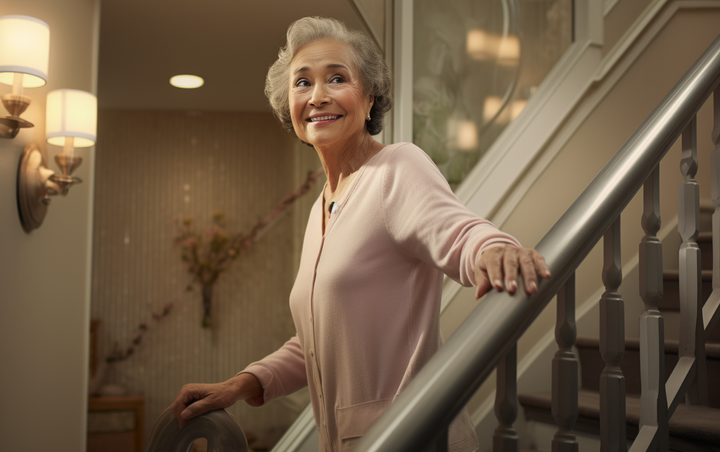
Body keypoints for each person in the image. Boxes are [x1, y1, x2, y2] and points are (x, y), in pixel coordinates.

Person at [171, 16, 550, 452]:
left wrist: (496, 248)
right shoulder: (321, 208)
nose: (318, 96)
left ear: (369, 98)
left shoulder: (396, 169)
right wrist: (243, 384)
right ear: (288, 106)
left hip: (414, 436)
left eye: (337, 78)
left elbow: (461, 233)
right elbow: (320, 336)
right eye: (302, 83)